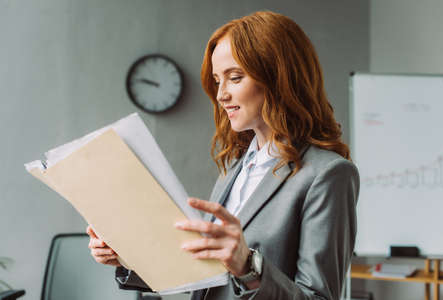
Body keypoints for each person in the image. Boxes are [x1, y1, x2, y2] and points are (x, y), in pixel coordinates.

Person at [87, 11, 359, 300]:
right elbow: (203, 271)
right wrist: (127, 257)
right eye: (218, 80)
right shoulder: (236, 166)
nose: (221, 95)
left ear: (279, 77)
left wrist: (248, 267)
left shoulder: (328, 174)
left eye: (235, 77)